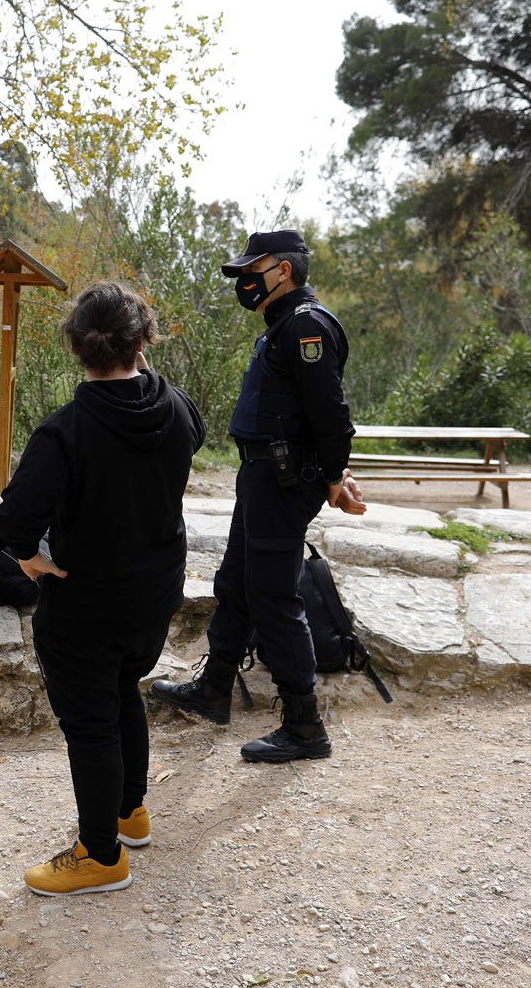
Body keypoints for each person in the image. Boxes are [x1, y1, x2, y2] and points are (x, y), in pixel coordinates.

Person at [0, 282, 205, 897]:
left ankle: (101, 854)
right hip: (154, 591)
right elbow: (189, 435)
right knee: (123, 693)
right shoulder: (176, 407)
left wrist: (34, 561)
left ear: (75, 349)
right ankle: (129, 812)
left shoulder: (65, 432)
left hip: (85, 601)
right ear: (142, 342)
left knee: (90, 721)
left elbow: (13, 524)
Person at [152, 229, 366, 763]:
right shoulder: (282, 327)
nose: (245, 279)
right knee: (238, 583)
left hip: (284, 479)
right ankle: (214, 689)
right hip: (262, 475)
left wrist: (333, 475)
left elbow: (333, 416)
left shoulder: (306, 327)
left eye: (254, 269)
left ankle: (304, 725)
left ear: (284, 270)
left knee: (273, 594)